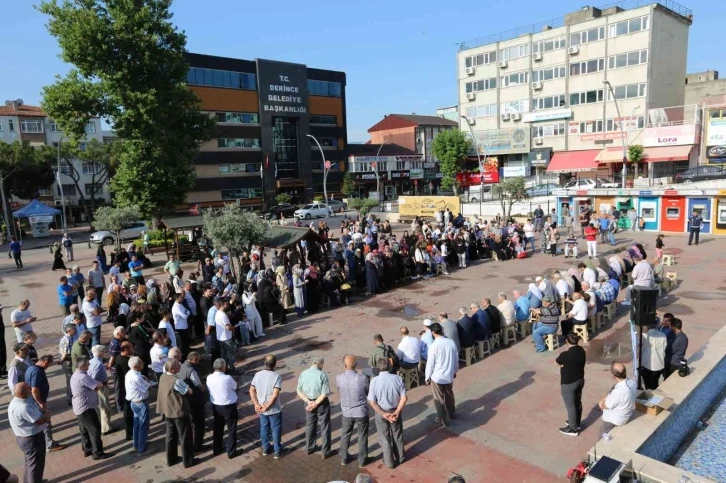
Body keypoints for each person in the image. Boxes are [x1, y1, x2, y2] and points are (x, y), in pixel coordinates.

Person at [156, 359, 198, 468]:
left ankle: (171, 459)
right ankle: (188, 461)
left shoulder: (163, 376)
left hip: (168, 411)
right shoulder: (176, 381)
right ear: (172, 369)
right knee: (185, 437)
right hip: (179, 412)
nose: (179, 367)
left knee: (171, 436)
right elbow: (189, 391)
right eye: (177, 366)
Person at [367, 358, 407, 469]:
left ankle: (389, 462)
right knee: (397, 435)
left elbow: (372, 402)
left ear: (377, 368)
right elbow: (404, 398)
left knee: (384, 438)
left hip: (381, 412)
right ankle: (401, 457)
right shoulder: (398, 378)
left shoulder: (374, 381)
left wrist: (383, 414)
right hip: (394, 411)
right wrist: (397, 412)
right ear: (390, 366)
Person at [8, 382, 51, 483]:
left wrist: (42, 411)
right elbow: (39, 420)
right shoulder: (23, 407)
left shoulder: (20, 401)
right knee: (35, 465)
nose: (31, 389)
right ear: (21, 394)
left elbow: (36, 411)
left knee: (30, 463)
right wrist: (48, 414)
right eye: (28, 388)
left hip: (26, 438)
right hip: (32, 439)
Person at [70, 357, 110, 460]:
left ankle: (87, 449)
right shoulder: (83, 377)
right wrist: (100, 384)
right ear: (82, 366)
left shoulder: (76, 375)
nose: (89, 365)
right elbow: (98, 385)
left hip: (79, 407)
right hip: (86, 407)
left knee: (84, 429)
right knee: (95, 429)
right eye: (88, 364)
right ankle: (97, 453)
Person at [25, 355, 64, 452]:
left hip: (34, 401)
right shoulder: (37, 372)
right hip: (37, 402)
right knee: (46, 422)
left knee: (45, 422)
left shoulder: (32, 367)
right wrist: (41, 403)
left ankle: (47, 442)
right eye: (50, 364)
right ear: (45, 363)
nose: (49, 366)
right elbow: (34, 390)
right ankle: (50, 445)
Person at [336, 355, 369, 468]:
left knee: (345, 435)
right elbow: (367, 391)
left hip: (347, 412)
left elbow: (339, 389)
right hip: (361, 411)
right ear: (355, 365)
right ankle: (362, 460)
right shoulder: (362, 378)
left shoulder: (339, 378)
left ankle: (344, 458)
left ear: (345, 365)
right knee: (362, 435)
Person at [250, 355, 285, 459]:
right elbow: (275, 395)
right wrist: (267, 406)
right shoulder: (276, 376)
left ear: (264, 363)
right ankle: (277, 451)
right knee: (275, 429)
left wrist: (256, 404)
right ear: (275, 364)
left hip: (261, 408)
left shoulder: (257, 375)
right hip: (274, 409)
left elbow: (251, 390)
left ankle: (266, 448)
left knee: (264, 428)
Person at [297, 357, 332, 458]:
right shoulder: (322, 374)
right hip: (321, 403)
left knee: (310, 425)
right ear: (321, 365)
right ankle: (325, 451)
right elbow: (324, 393)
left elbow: (299, 390)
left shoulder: (303, 373)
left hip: (308, 402)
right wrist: (316, 403)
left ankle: (310, 448)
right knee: (325, 426)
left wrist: (309, 402)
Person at [425, 323, 459, 427]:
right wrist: (454, 371)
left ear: (433, 333)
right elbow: (456, 358)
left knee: (438, 398)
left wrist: (427, 377)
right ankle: (451, 413)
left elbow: (430, 363)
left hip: (437, 376)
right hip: (448, 374)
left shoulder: (434, 346)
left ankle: (442, 418)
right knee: (449, 394)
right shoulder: (450, 342)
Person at [208, 358, 239, 458]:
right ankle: (231, 452)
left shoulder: (209, 377)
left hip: (216, 405)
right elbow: (235, 386)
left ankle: (216, 449)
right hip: (228, 406)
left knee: (217, 427)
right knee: (232, 428)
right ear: (223, 367)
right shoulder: (227, 378)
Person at [556, 333, 586, 436]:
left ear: (567, 341)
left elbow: (557, 362)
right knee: (577, 402)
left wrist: (563, 365)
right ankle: (576, 423)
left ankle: (573, 429)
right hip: (580, 380)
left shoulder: (566, 354)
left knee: (570, 405)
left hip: (569, 383)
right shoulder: (581, 350)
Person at [599, 362, 637, 435]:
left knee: (602, 437)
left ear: (613, 375)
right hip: (625, 415)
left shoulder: (618, 391)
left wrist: (601, 402)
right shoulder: (632, 382)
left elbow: (606, 406)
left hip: (613, 420)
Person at [126, 356, 152, 454]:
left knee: (137, 425)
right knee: (143, 425)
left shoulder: (130, 373)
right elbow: (147, 387)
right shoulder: (136, 377)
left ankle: (137, 444)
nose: (143, 363)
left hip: (134, 402)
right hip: (141, 403)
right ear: (136, 366)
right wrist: (148, 382)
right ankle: (142, 448)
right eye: (141, 362)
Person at [88, 345, 113, 435]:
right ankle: (105, 428)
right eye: (103, 351)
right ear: (100, 353)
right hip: (100, 388)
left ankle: (101, 424)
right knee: (104, 408)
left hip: (97, 388)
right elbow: (93, 378)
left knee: (99, 407)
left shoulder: (91, 361)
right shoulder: (98, 364)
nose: (104, 353)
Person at [639, 323, 667, 390]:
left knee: (647, 384)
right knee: (655, 383)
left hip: (646, 366)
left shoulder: (644, 336)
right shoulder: (663, 335)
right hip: (658, 365)